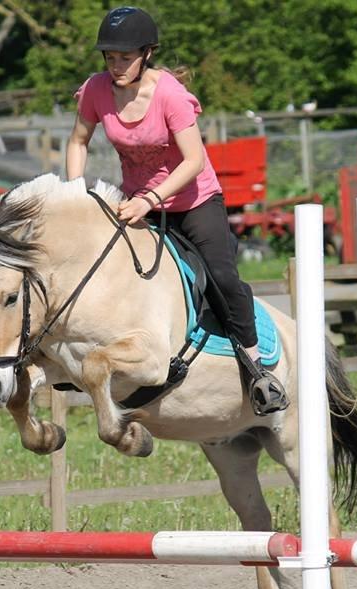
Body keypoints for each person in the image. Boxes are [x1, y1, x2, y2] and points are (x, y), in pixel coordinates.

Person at [65, 6, 288, 415]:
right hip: (136, 204)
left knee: (221, 275)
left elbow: (193, 162)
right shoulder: (96, 90)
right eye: (109, 58)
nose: (115, 66)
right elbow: (78, 141)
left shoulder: (169, 94)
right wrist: (76, 194)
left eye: (124, 58)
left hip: (194, 201)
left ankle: (258, 369)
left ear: (147, 54)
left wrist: (150, 199)